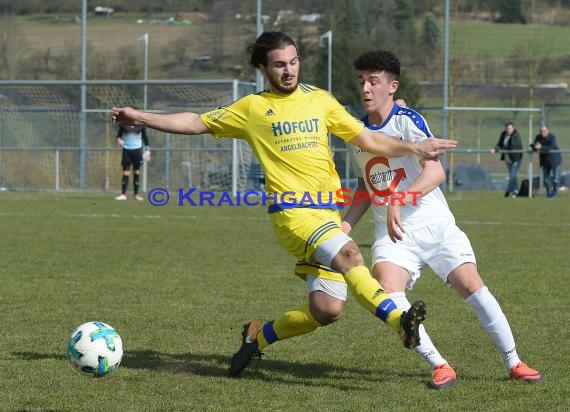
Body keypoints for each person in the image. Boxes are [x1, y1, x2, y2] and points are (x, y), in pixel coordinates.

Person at [112, 32, 458, 378]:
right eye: (279, 64)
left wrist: (414, 148)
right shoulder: (252, 108)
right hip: (292, 215)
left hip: (327, 214)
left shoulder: (321, 100)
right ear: (263, 68)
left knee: (327, 311)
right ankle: (400, 322)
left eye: (294, 62)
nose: (289, 70)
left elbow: (368, 138)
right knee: (352, 255)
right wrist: (141, 117)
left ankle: (258, 336)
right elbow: (194, 122)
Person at [342, 50, 543, 389]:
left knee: (472, 286)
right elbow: (366, 182)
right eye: (361, 80)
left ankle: (514, 361)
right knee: (389, 292)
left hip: (434, 225)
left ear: (392, 86)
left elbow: (435, 173)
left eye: (373, 81)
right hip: (392, 235)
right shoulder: (357, 134)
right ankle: (440, 365)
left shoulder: (408, 121)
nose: (365, 87)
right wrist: (346, 225)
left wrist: (399, 199)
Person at [115, 123, 150, 201]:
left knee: (136, 172)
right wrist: (118, 140)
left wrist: (148, 151)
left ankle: (136, 194)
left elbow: (145, 138)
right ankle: (123, 194)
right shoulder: (123, 125)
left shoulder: (141, 126)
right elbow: (119, 136)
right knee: (126, 172)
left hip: (137, 150)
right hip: (127, 150)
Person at [491, 121, 523, 197]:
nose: (509, 130)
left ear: (513, 128)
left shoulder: (516, 135)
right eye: (507, 128)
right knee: (512, 176)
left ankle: (509, 191)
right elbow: (500, 144)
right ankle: (516, 191)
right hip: (508, 158)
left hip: (516, 158)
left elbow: (514, 146)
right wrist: (495, 149)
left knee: (513, 176)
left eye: (510, 128)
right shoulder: (503, 134)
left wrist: (504, 148)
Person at [531, 123, 563, 198]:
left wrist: (541, 147)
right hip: (545, 162)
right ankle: (549, 193)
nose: (542, 133)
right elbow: (533, 145)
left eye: (544, 131)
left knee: (556, 178)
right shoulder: (538, 137)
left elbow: (551, 146)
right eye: (541, 131)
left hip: (555, 160)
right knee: (546, 178)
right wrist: (535, 146)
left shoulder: (552, 137)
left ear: (548, 130)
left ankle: (555, 194)